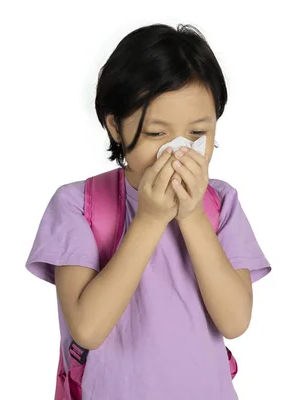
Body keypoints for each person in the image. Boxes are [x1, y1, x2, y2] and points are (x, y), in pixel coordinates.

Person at [25, 23, 272, 400]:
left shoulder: (221, 203)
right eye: (157, 134)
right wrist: (151, 219)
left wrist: (190, 216)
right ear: (115, 127)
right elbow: (88, 329)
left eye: (196, 134)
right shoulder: (78, 204)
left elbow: (236, 321)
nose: (178, 151)